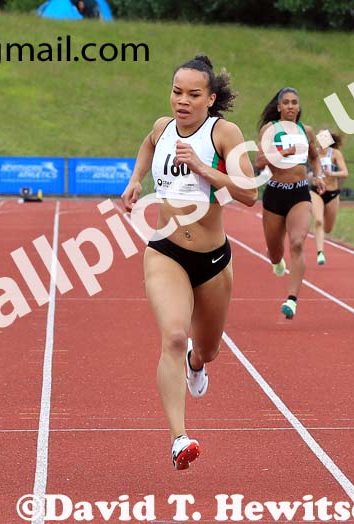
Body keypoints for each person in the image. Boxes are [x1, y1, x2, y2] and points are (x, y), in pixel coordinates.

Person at [121, 55, 257, 471]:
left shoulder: (223, 134)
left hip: (213, 260)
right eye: (177, 92)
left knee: (207, 348)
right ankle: (179, 439)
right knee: (175, 337)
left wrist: (203, 169)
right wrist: (135, 179)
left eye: (193, 94)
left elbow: (250, 193)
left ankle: (197, 366)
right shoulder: (163, 128)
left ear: (210, 98)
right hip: (165, 250)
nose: (182, 100)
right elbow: (148, 143)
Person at [255, 87, 325, 319]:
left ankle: (292, 299)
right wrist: (286, 152)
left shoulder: (307, 131)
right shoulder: (269, 129)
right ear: (279, 107)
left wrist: (319, 175)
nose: (291, 106)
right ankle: (276, 262)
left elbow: (314, 157)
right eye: (286, 102)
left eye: (295, 102)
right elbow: (259, 162)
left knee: (297, 243)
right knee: (275, 252)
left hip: (299, 193)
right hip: (275, 194)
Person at [310, 130, 349, 265]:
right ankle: (320, 253)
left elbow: (345, 172)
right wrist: (312, 177)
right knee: (318, 221)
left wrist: (331, 173)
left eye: (324, 137)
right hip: (316, 192)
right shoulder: (313, 153)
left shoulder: (335, 154)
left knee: (328, 228)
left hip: (332, 193)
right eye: (319, 137)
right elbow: (305, 171)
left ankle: (322, 237)